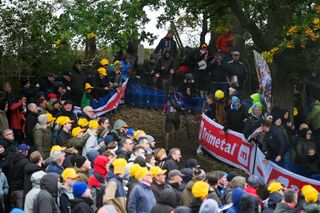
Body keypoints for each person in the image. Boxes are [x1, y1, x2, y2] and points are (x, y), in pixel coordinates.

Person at [9, 144, 30, 209]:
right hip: (20, 190)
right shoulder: (25, 162)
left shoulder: (12, 160)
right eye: (27, 150)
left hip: (12, 189)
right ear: (24, 151)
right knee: (20, 209)